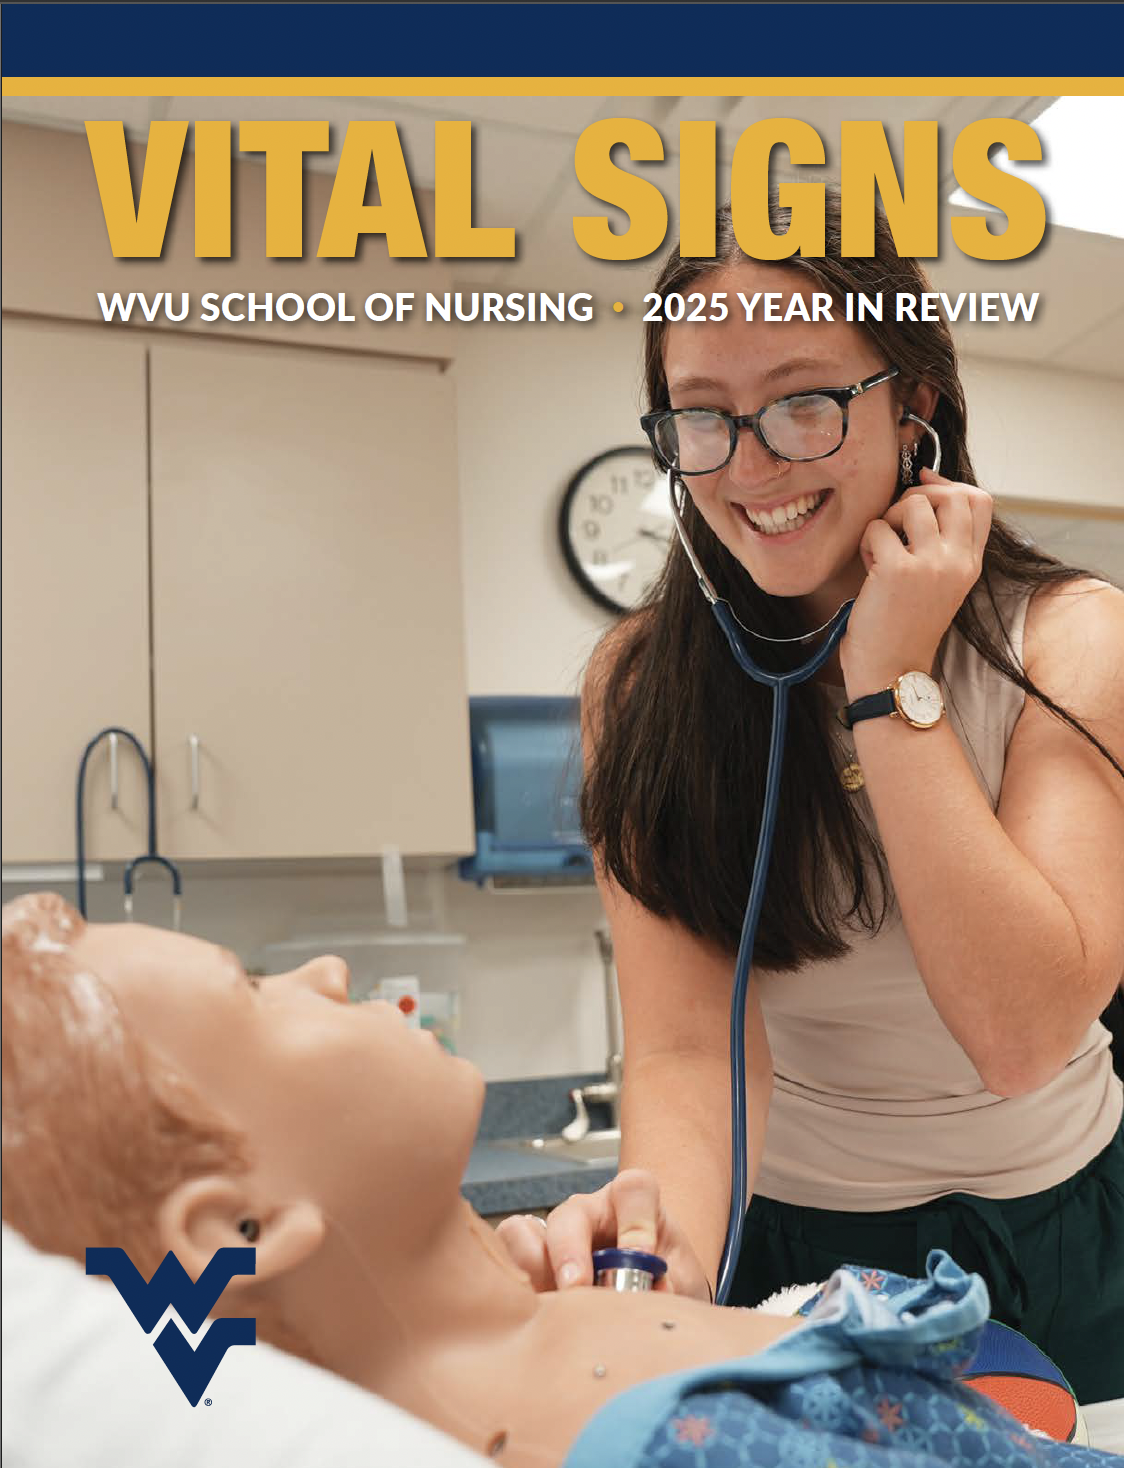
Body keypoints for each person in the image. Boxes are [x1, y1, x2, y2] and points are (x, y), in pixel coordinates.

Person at [498, 188, 1124, 1407]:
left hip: (1060, 1226)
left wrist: (888, 679)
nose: (751, 463)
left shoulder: (1068, 638)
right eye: (701, 418)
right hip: (797, 1244)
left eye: (803, 400)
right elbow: (687, 1048)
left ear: (915, 406)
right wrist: (656, 1256)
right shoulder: (642, 685)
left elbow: (1018, 1034)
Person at [3, 893, 1120, 1468]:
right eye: (256, 994)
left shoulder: (564, 1302)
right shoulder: (660, 1446)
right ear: (236, 1228)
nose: (326, 971)